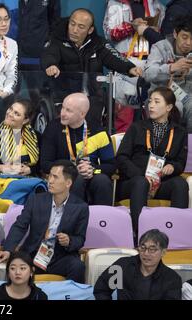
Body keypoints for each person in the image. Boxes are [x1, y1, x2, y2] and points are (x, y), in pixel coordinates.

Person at [41, 8, 143, 126]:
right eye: (72, 24)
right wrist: (51, 65)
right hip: (63, 97)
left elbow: (113, 56)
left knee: (95, 120)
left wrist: (129, 68)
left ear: (90, 30)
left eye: (81, 27)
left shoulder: (98, 43)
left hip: (92, 97)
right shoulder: (56, 39)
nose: (74, 30)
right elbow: (48, 54)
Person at [0, 159, 89, 283]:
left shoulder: (80, 207)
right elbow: (20, 226)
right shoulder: (36, 200)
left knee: (78, 266)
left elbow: (80, 239)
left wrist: (69, 241)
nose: (50, 180)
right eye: (49, 176)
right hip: (34, 254)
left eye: (55, 177)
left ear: (68, 183)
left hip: (60, 257)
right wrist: (7, 249)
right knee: (16, 265)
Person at [116, 87, 189, 239]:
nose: (151, 106)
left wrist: (172, 167)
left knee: (180, 184)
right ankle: (140, 234)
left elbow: (180, 163)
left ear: (169, 107)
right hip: (133, 181)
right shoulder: (137, 127)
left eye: (157, 102)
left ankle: (176, 234)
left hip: (160, 182)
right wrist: (141, 175)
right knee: (142, 183)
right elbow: (122, 157)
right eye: (150, 102)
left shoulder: (180, 132)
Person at [39, 93, 115, 206]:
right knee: (77, 180)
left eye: (68, 110)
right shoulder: (53, 128)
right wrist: (72, 169)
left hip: (91, 175)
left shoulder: (98, 131)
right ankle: (71, 220)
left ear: (82, 114)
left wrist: (93, 169)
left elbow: (111, 166)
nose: (62, 113)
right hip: (65, 176)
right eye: (62, 108)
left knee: (102, 181)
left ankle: (101, 221)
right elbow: (45, 164)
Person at [103, 0, 165, 133]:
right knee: (124, 115)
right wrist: (131, 26)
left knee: (151, 113)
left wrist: (153, 31)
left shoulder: (155, 5)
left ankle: (147, 149)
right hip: (126, 64)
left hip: (150, 64)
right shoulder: (116, 4)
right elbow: (110, 34)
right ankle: (121, 148)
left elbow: (163, 39)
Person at [94, 229, 182, 300]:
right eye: (143, 248)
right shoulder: (123, 266)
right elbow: (102, 289)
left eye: (152, 249)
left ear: (163, 252)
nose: (146, 253)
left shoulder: (172, 279)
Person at [144, 16, 192, 132]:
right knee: (175, 107)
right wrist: (171, 67)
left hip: (188, 97)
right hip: (161, 97)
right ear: (175, 34)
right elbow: (147, 73)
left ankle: (190, 147)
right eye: (184, 37)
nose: (188, 43)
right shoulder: (161, 47)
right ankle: (169, 146)